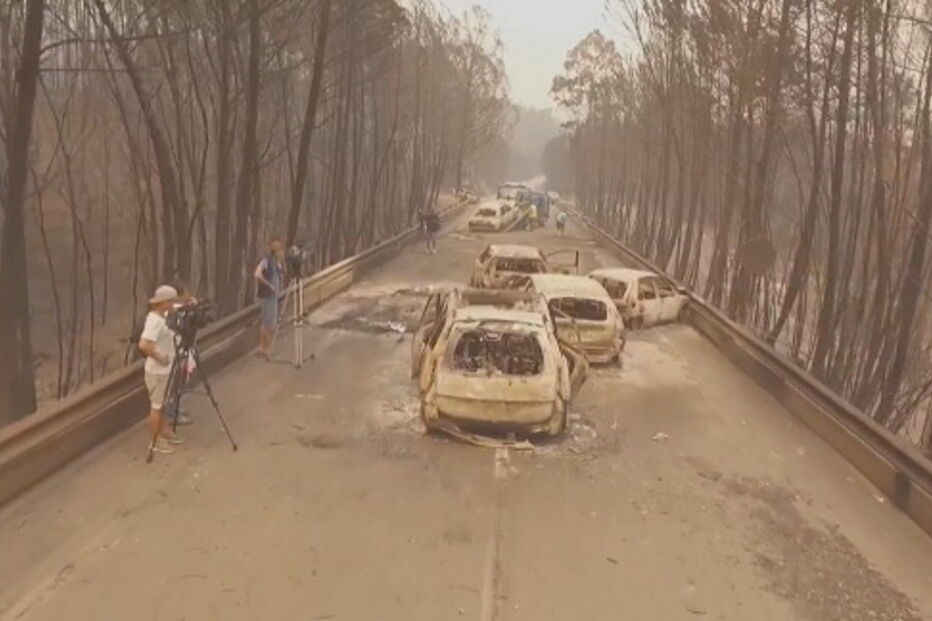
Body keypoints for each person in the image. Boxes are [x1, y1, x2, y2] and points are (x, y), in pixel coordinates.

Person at [139, 285, 184, 454]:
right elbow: (144, 344)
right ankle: (155, 441)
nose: (173, 304)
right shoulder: (154, 321)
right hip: (157, 371)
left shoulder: (162, 316)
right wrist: (160, 357)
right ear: (163, 302)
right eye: (170, 301)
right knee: (157, 406)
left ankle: (164, 431)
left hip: (165, 371)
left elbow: (180, 306)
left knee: (163, 403)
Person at [255, 236, 284, 360]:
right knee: (269, 323)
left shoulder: (277, 262)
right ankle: (267, 348)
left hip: (272, 295)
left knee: (265, 322)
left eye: (279, 247)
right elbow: (257, 274)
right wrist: (269, 285)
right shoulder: (266, 261)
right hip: (268, 295)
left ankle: (262, 347)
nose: (278, 250)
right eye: (276, 247)